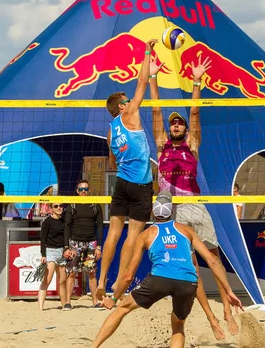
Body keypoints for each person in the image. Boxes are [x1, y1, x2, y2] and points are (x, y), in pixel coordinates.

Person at [150, 54, 239, 336]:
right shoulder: (162, 145)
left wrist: (197, 81)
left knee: (214, 259)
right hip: (173, 211)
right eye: (173, 123)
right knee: (192, 269)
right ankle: (212, 319)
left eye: (180, 123)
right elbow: (155, 112)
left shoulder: (193, 145)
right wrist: (152, 77)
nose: (176, 125)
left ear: (186, 130)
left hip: (195, 205)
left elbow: (196, 112)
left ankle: (227, 307)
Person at [91, 192, 243, 348]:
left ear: (152, 212)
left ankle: (94, 346)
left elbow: (129, 275)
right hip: (187, 282)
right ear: (172, 211)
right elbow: (213, 261)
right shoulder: (186, 230)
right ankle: (211, 318)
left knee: (122, 308)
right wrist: (229, 291)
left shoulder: (146, 235)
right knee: (178, 326)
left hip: (160, 279)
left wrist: (114, 298)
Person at [98, 39, 159, 299]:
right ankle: (118, 283)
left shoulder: (111, 132)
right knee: (132, 235)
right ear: (122, 106)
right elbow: (142, 82)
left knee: (113, 232)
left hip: (121, 183)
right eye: (126, 99)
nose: (129, 100)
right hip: (140, 185)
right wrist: (147, 51)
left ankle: (101, 280)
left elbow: (112, 162)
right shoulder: (130, 114)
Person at [63, 180, 104, 310]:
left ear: (89, 190)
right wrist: (66, 247)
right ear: (77, 191)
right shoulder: (72, 205)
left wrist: (99, 246)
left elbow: (100, 226)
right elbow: (67, 227)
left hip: (91, 243)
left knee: (91, 273)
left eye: (86, 189)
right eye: (81, 190)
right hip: (75, 243)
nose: (84, 192)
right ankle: (68, 302)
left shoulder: (95, 205)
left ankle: (95, 302)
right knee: (71, 273)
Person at [38, 202, 68, 310]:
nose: (59, 208)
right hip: (50, 251)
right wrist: (43, 255)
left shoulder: (64, 221)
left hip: (62, 252)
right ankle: (40, 307)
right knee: (47, 279)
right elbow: (42, 239)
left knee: (62, 281)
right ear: (51, 208)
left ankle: (64, 305)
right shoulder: (47, 222)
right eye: (56, 206)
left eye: (60, 206)